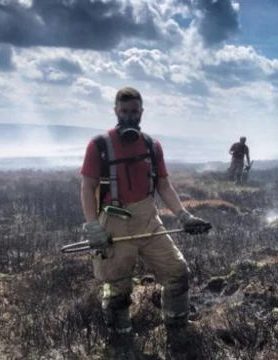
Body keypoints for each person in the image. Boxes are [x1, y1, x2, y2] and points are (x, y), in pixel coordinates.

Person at [79, 86, 211, 359]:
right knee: (116, 287)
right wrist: (92, 226)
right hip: (113, 221)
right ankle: (121, 344)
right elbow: (87, 186)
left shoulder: (152, 145)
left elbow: (163, 184)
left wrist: (184, 216)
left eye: (134, 112)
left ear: (142, 113)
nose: (129, 116)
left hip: (149, 220)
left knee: (177, 273)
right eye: (124, 111)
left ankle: (177, 332)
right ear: (116, 111)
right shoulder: (99, 145)